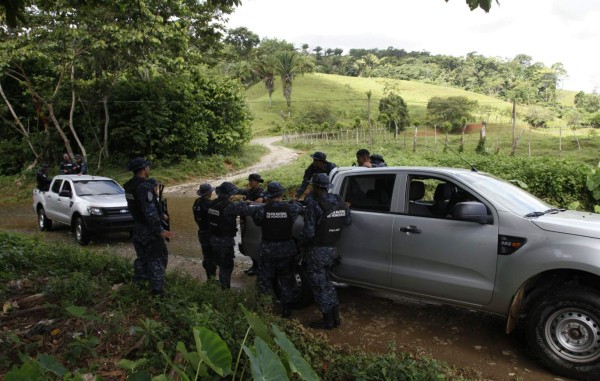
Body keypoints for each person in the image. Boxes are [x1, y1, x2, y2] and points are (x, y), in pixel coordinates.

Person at [301, 173, 351, 330]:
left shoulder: (314, 204)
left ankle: (327, 320)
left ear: (316, 187)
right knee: (328, 284)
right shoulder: (339, 201)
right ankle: (335, 317)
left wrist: (300, 245)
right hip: (332, 250)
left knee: (319, 287)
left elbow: (309, 232)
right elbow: (348, 221)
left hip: (317, 251)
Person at [249, 181, 303, 317]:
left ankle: (264, 310)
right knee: (286, 279)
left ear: (269, 194)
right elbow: (299, 211)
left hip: (268, 249)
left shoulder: (261, 210)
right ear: (281, 193)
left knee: (264, 279)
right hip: (286, 249)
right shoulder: (291, 208)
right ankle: (286, 310)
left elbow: (257, 222)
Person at [123, 157, 175, 296]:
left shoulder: (128, 185)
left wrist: (161, 214)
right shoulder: (144, 186)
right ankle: (157, 291)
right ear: (144, 169)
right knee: (157, 258)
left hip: (137, 227)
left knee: (142, 257)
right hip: (149, 229)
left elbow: (138, 206)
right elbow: (149, 211)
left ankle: (140, 282)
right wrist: (160, 230)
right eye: (148, 167)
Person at [208, 181, 250, 289]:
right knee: (226, 267)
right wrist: (244, 203)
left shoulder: (213, 203)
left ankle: (216, 285)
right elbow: (247, 211)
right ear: (229, 194)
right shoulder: (229, 206)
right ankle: (225, 291)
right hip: (225, 241)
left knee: (220, 264)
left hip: (213, 239)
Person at [238, 173, 265, 276]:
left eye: (251, 181)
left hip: (256, 222)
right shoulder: (249, 191)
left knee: (255, 243)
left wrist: (249, 202)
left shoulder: (261, 191)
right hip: (248, 221)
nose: (249, 182)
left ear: (256, 182)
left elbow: (259, 201)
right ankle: (254, 265)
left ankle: (258, 267)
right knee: (248, 243)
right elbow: (240, 191)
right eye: (249, 180)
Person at [192, 183, 216, 279]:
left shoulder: (196, 202)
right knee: (212, 256)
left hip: (201, 232)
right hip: (209, 233)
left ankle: (209, 277)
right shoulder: (208, 203)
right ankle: (211, 278)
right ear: (209, 193)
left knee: (206, 255)